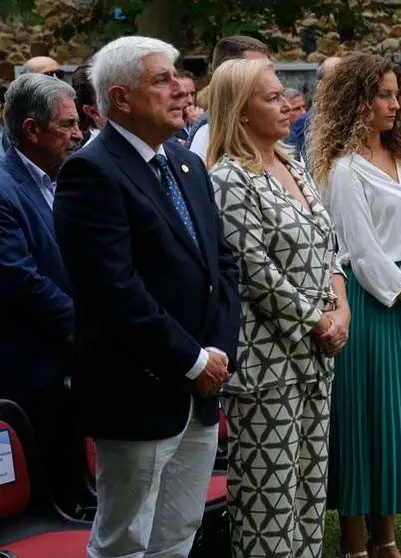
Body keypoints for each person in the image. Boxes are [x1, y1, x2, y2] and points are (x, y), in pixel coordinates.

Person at [53, 36, 241, 557]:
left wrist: (217, 352)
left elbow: (221, 266)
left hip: (200, 391)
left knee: (177, 534)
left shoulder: (185, 165)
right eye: (162, 78)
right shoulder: (91, 172)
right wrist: (191, 358)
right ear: (121, 98)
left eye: (179, 74)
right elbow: (114, 290)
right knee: (125, 540)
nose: (182, 87)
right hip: (137, 392)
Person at [207, 57, 349, 558]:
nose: (287, 104)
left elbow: (328, 246)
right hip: (269, 364)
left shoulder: (292, 163)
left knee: (310, 496)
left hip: (316, 357)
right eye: (271, 97)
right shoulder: (229, 178)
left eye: (283, 94)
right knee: (269, 504)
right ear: (239, 111)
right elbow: (255, 271)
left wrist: (342, 311)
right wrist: (319, 321)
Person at [309, 53, 401, 558]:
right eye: (384, 94)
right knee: (367, 420)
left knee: (397, 422)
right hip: (369, 305)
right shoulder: (345, 170)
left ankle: (387, 539)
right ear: (356, 102)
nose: (396, 103)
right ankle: (355, 542)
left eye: (398, 93)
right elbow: (361, 254)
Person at [0, 73, 80, 505]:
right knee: (43, 491)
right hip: (31, 368)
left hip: (66, 365)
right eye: (66, 125)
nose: (78, 132)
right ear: (32, 130)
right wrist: (87, 326)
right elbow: (20, 278)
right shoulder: (4, 189)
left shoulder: (64, 178)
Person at [189, 35, 271, 160]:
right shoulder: (208, 133)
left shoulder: (262, 124)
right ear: (229, 73)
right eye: (257, 71)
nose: (269, 78)